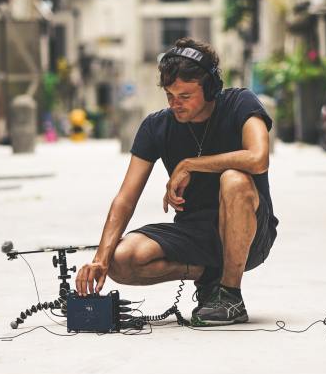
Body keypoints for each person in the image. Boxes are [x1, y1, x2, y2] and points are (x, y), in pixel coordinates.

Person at [74, 38, 279, 326]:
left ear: (210, 88)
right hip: (193, 233)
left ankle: (230, 296)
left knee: (234, 180)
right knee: (122, 259)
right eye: (169, 95)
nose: (175, 104)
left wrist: (190, 165)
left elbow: (258, 158)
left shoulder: (240, 104)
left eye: (185, 96)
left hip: (250, 233)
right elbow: (125, 198)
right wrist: (100, 259)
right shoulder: (156, 126)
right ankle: (210, 277)